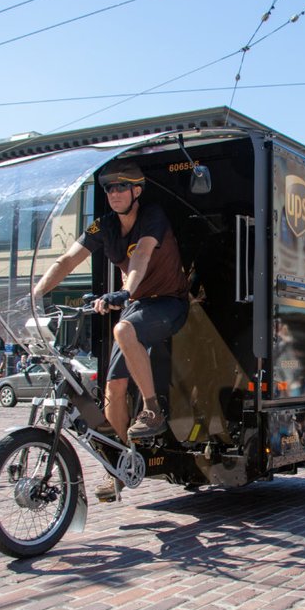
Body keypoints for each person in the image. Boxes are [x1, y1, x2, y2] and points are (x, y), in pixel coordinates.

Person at [31, 163, 190, 500]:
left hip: (168, 302)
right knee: (113, 390)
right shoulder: (103, 226)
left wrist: (125, 292)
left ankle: (152, 410)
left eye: (122, 187)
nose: (114, 194)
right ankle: (115, 470)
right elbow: (66, 261)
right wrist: (34, 296)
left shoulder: (152, 216)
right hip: (136, 305)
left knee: (123, 329)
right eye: (109, 189)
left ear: (137, 191)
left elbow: (142, 256)